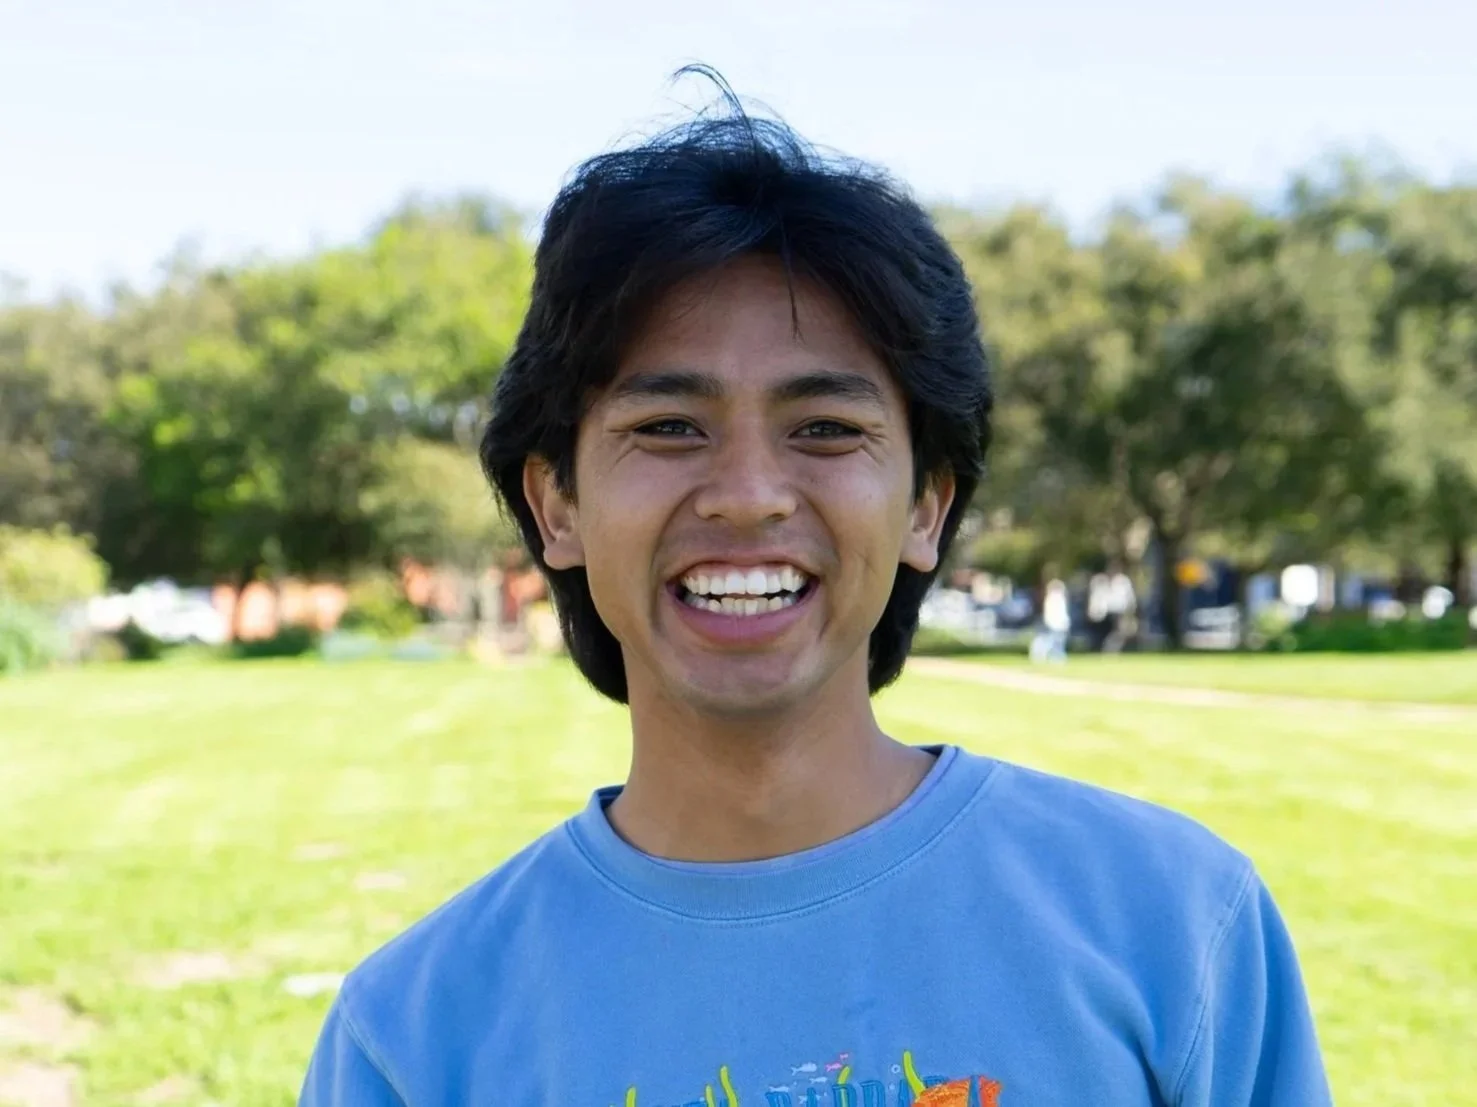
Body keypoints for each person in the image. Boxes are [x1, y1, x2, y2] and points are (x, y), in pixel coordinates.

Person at [299, 76, 1331, 1107]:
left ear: (927, 504)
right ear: (555, 502)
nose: (748, 498)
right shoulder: (414, 1038)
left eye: (825, 429)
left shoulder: (1174, 926)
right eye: (667, 427)